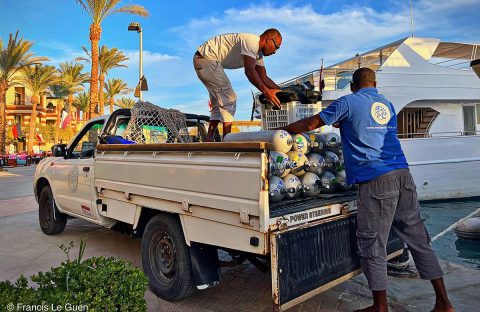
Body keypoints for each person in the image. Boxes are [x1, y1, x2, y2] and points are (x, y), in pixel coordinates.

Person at [279, 68, 454, 312]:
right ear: (375, 83)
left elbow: (311, 123)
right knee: (419, 241)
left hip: (376, 179)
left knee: (373, 244)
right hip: (403, 175)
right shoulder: (386, 104)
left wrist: (281, 133)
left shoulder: (348, 101)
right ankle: (444, 303)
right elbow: (369, 129)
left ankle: (380, 306)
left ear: (352, 86)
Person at [194, 29, 282, 141]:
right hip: (206, 59)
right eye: (276, 47)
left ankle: (208, 141)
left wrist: (282, 91)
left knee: (217, 105)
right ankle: (227, 143)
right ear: (269, 39)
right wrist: (266, 92)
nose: (275, 51)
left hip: (204, 61)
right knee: (229, 99)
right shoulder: (251, 41)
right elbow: (250, 71)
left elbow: (264, 78)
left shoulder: (258, 55)